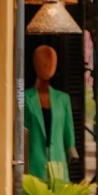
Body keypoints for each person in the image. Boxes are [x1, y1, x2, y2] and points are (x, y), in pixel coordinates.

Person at [23, 43, 74, 180]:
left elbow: (68, 134)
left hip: (58, 163)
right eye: (44, 62)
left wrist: (71, 154)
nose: (48, 65)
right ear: (35, 64)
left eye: (52, 62)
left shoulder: (63, 99)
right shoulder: (25, 98)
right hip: (34, 164)